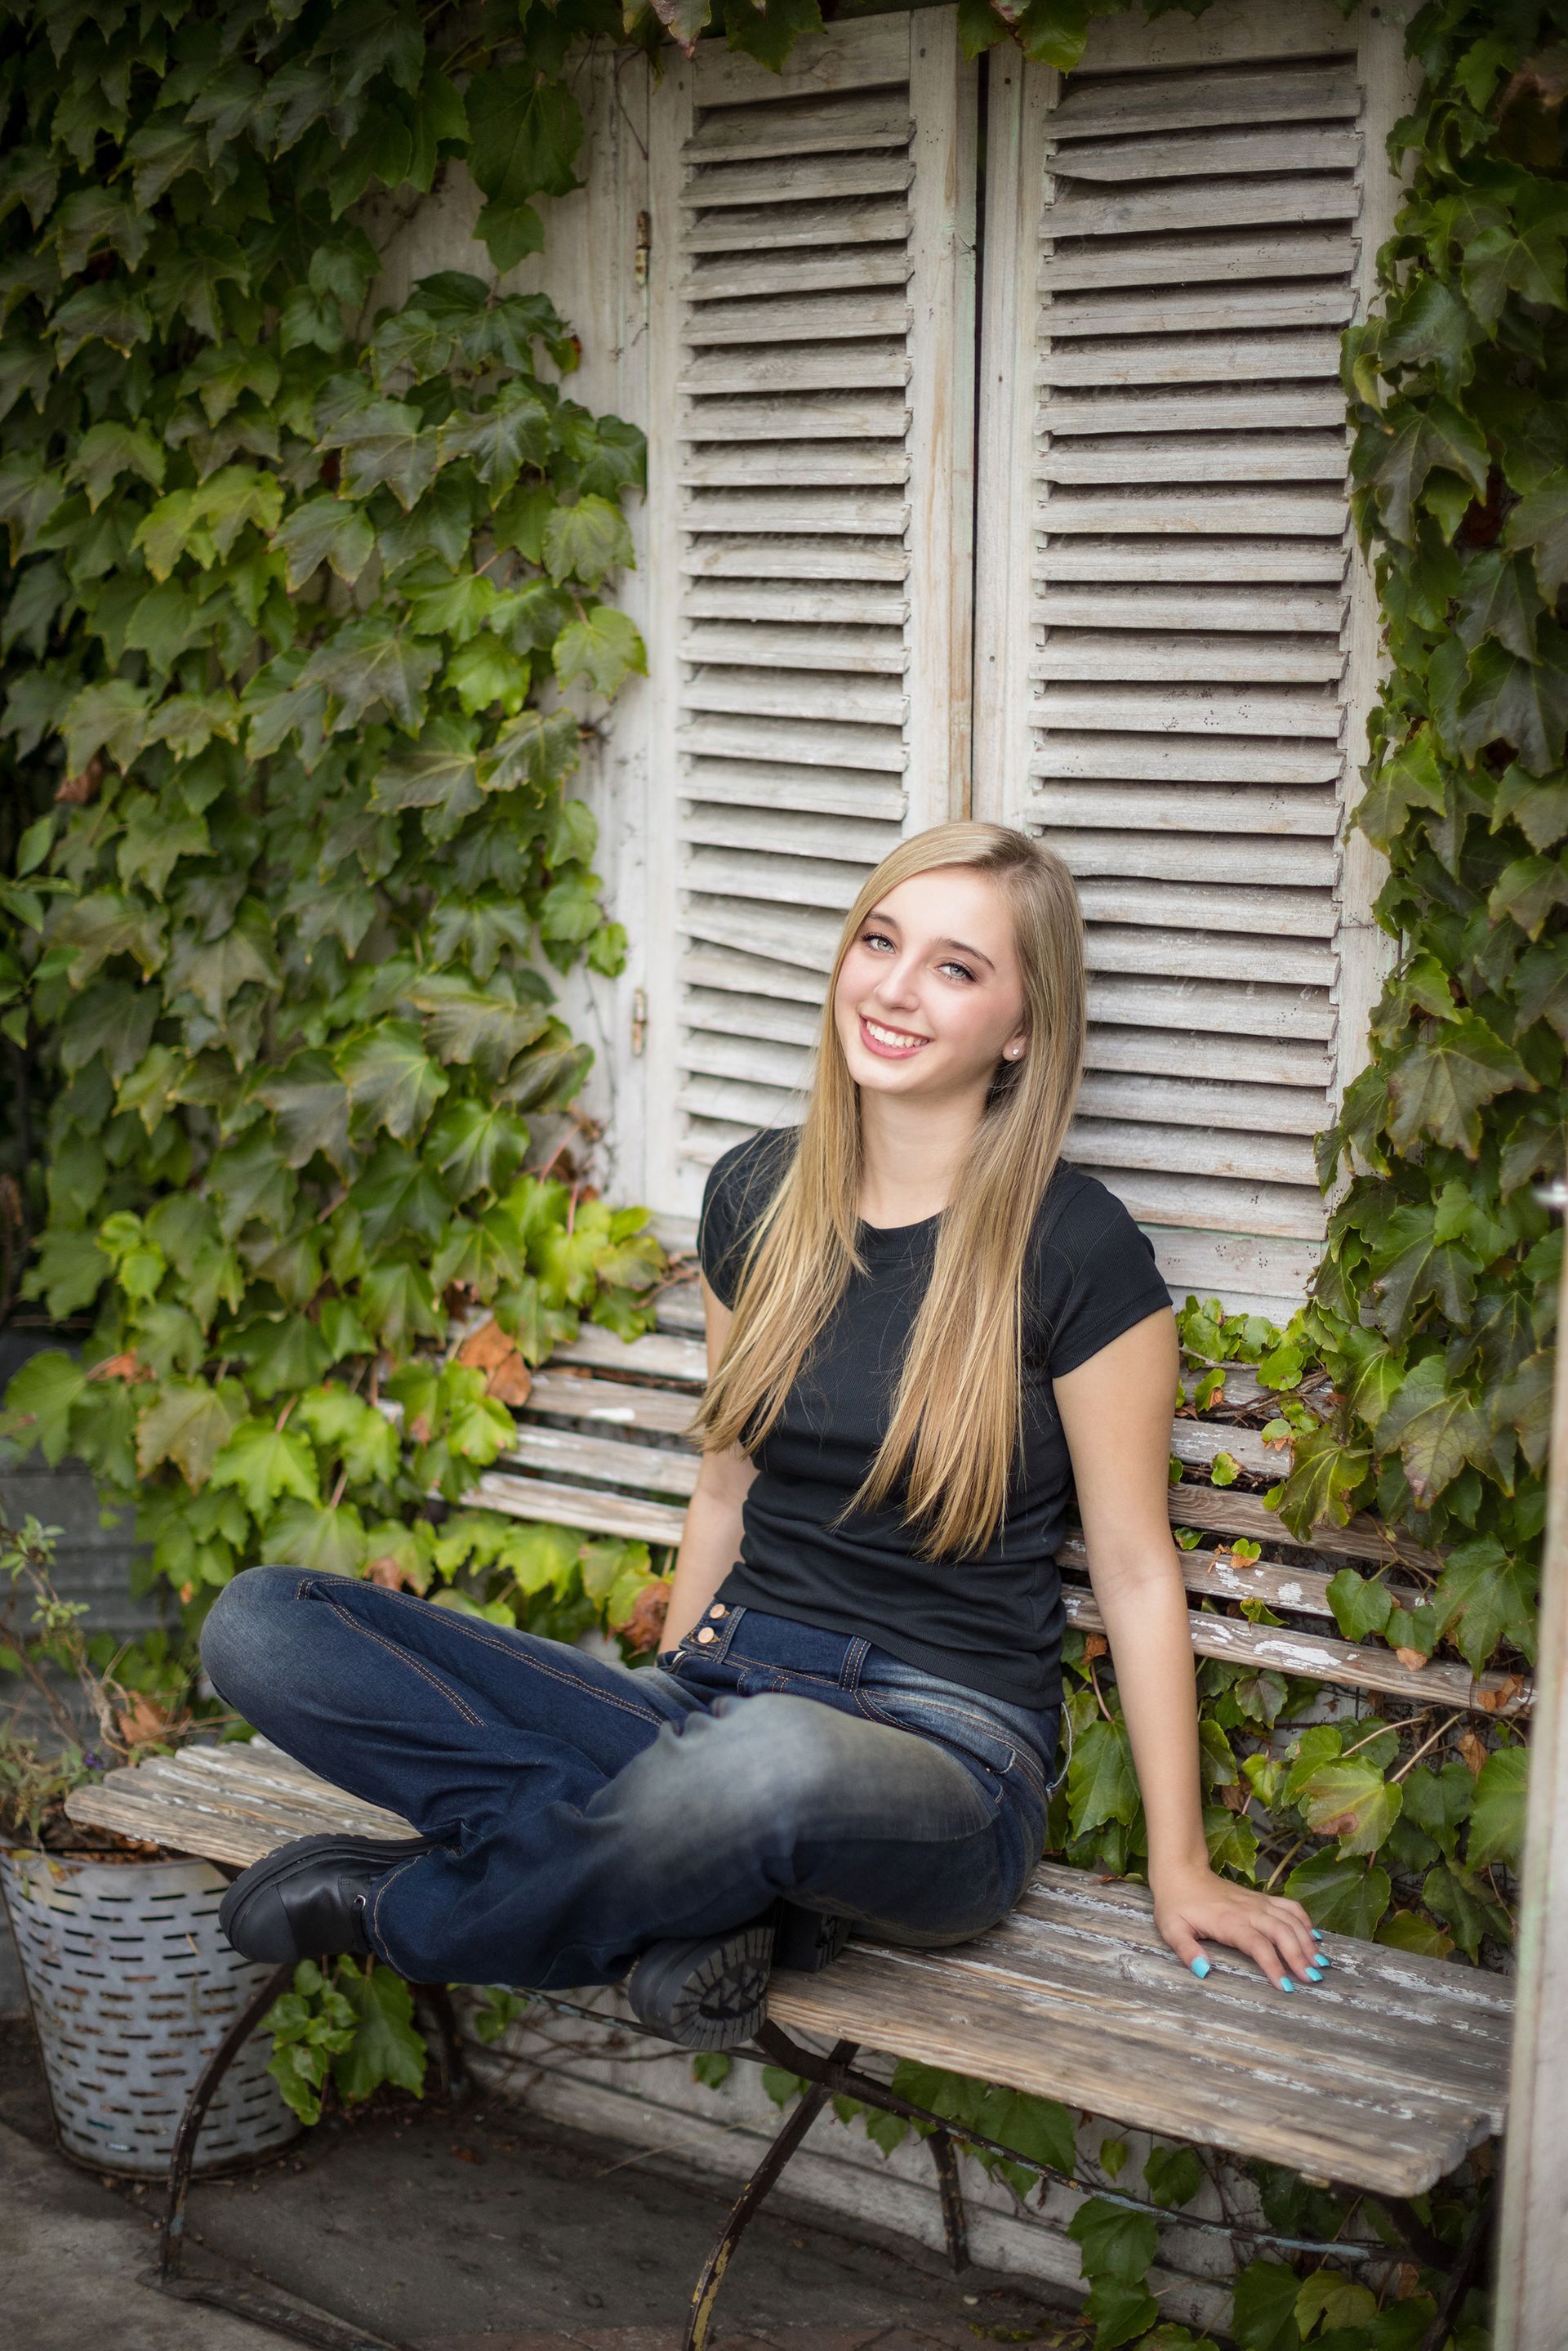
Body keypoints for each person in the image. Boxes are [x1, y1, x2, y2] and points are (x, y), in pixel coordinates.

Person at [204, 822, 1325, 2048]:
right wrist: (668, 1722)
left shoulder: (1076, 1249)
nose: (895, 987)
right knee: (264, 1624)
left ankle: (409, 1912)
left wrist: (1183, 1863)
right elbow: (725, 1487)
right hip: (725, 1692)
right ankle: (730, 1888)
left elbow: (1136, 1564)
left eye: (955, 967)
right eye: (880, 941)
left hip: (946, 1758)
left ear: (1021, 1027)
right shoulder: (757, 1198)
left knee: (767, 1766)